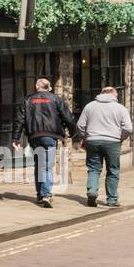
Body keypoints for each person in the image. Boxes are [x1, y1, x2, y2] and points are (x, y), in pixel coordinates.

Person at [12, 77, 79, 207]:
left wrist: (16, 138)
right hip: (51, 136)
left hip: (35, 136)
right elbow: (68, 117)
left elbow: (19, 119)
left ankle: (40, 194)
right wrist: (73, 133)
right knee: (47, 165)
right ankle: (46, 194)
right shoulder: (56, 99)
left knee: (39, 165)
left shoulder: (28, 99)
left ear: (37, 87)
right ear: (49, 87)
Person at [76, 85, 132, 207]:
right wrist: (120, 138)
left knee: (94, 169)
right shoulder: (120, 108)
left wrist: (85, 138)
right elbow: (128, 128)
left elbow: (80, 125)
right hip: (112, 142)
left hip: (93, 141)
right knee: (112, 170)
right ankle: (111, 199)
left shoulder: (89, 106)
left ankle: (92, 191)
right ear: (113, 94)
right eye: (116, 95)